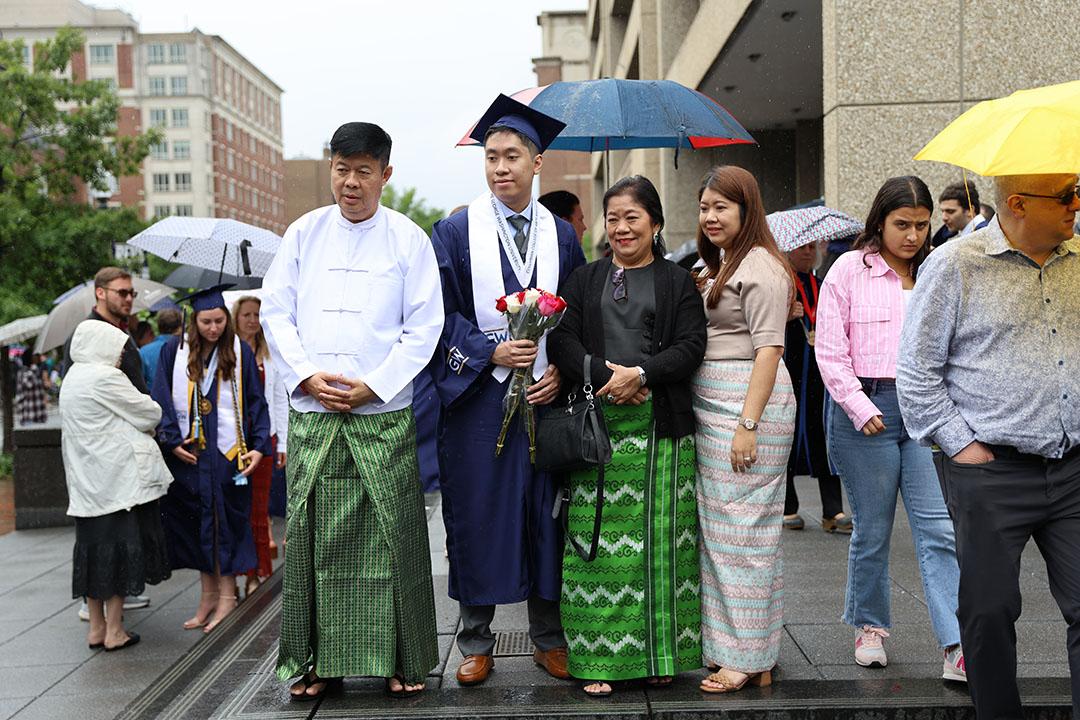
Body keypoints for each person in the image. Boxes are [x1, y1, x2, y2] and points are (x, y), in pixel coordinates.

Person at [261, 121, 443, 700]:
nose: (351, 182)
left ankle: (401, 658)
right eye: (342, 168)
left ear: (385, 175)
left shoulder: (409, 239)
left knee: (394, 536)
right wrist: (307, 376)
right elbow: (276, 313)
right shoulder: (302, 233)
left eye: (364, 170)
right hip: (315, 411)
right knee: (314, 538)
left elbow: (425, 327)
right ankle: (315, 662)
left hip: (381, 413)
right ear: (329, 168)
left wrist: (376, 385)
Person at [897, 173, 1080, 718]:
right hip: (991, 469)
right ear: (1019, 204)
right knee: (990, 611)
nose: (1077, 204)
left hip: (1071, 466)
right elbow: (916, 370)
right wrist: (961, 448)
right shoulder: (955, 264)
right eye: (1066, 196)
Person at [429, 94, 585, 686]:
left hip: (545, 398)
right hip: (479, 399)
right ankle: (475, 640)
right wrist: (487, 352)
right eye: (491, 157)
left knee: (546, 516)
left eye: (512, 156)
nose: (500, 168)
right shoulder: (454, 231)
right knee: (479, 516)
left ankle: (549, 637)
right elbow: (438, 317)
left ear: (537, 162)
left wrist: (562, 371)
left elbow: (575, 315)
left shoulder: (560, 235)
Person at [547, 175, 706, 696]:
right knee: (597, 545)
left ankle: (660, 655)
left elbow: (690, 347)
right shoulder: (584, 279)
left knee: (660, 545)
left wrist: (640, 376)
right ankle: (597, 661)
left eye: (632, 217)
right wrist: (602, 374)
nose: (620, 228)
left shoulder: (678, 281)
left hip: (661, 428)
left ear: (655, 223)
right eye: (612, 218)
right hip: (595, 427)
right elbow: (563, 341)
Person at [816, 176, 964, 679]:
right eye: (903, 224)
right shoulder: (847, 270)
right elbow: (831, 352)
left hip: (924, 413)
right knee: (872, 530)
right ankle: (870, 627)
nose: (914, 235)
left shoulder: (938, 271)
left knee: (939, 528)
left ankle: (956, 643)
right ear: (879, 221)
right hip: (867, 409)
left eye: (922, 226)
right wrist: (859, 406)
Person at [691, 165, 795, 693]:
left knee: (745, 533)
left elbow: (769, 349)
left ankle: (749, 655)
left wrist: (747, 425)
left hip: (746, 406)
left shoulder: (762, 266)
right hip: (716, 404)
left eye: (721, 207)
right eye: (705, 206)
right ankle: (740, 648)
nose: (710, 216)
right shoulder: (721, 262)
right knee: (724, 532)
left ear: (746, 210)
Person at [151, 285, 270, 634]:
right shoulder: (175, 351)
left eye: (219, 321)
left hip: (226, 455)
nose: (213, 328)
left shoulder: (238, 352)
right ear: (194, 321)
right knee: (195, 526)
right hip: (190, 455)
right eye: (206, 322)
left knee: (226, 523)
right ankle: (207, 598)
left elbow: (255, 403)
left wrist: (260, 446)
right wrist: (172, 442)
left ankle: (228, 599)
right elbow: (160, 396)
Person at [61, 320, 172, 651]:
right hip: (115, 482)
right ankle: (114, 630)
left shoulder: (72, 379)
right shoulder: (105, 377)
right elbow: (149, 412)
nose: (121, 356)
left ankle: (96, 628)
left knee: (92, 554)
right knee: (119, 553)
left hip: (85, 484)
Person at [782, 239, 850, 534]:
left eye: (813, 247)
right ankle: (788, 507)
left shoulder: (825, 286)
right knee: (787, 438)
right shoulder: (780, 287)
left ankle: (832, 510)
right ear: (788, 251)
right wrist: (784, 315)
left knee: (826, 438)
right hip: (789, 371)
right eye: (802, 247)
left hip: (821, 377)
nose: (809, 252)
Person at [231, 295, 288, 597]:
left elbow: (280, 397)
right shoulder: (228, 353)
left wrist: (282, 443)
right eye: (246, 315)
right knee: (239, 509)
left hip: (265, 439)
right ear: (236, 318)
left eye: (257, 315)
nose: (252, 320)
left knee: (259, 508)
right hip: (234, 441)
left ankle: (259, 572)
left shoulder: (268, 354)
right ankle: (241, 573)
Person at [62, 267, 148, 396]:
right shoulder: (84, 335)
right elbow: (73, 390)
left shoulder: (124, 330)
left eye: (132, 293)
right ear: (100, 293)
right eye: (122, 293)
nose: (129, 299)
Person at [140, 309, 183, 388]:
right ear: (180, 326)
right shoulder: (187, 348)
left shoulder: (144, 352)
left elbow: (140, 383)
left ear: (159, 326)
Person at [15, 355, 47, 424]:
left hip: (31, 412)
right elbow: (30, 384)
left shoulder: (22, 372)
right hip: (31, 413)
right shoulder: (30, 372)